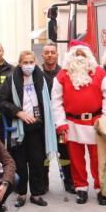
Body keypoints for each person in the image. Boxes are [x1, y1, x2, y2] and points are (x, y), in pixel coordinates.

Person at [51, 40, 106, 205]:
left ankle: (101, 189)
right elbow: (56, 101)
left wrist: (105, 117)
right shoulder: (62, 75)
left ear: (88, 56)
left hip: (95, 121)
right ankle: (81, 188)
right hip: (72, 122)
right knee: (76, 159)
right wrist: (60, 123)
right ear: (71, 56)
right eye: (76, 54)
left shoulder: (100, 73)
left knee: (98, 158)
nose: (79, 57)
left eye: (83, 54)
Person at [0, 50, 57, 208]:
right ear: (19, 63)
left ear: (35, 63)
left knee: (37, 161)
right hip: (19, 127)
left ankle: (36, 194)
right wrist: (18, 112)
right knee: (20, 163)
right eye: (25, 62)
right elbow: (1, 101)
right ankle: (22, 193)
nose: (28, 65)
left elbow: (52, 99)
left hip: (38, 127)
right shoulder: (11, 79)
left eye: (31, 62)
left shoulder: (42, 78)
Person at [40, 42, 73, 193]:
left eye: (52, 52)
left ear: (57, 54)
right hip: (43, 123)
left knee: (64, 152)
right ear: (42, 55)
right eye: (47, 53)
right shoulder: (37, 75)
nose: (50, 55)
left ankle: (69, 182)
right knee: (44, 154)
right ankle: (43, 182)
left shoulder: (65, 73)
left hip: (60, 122)